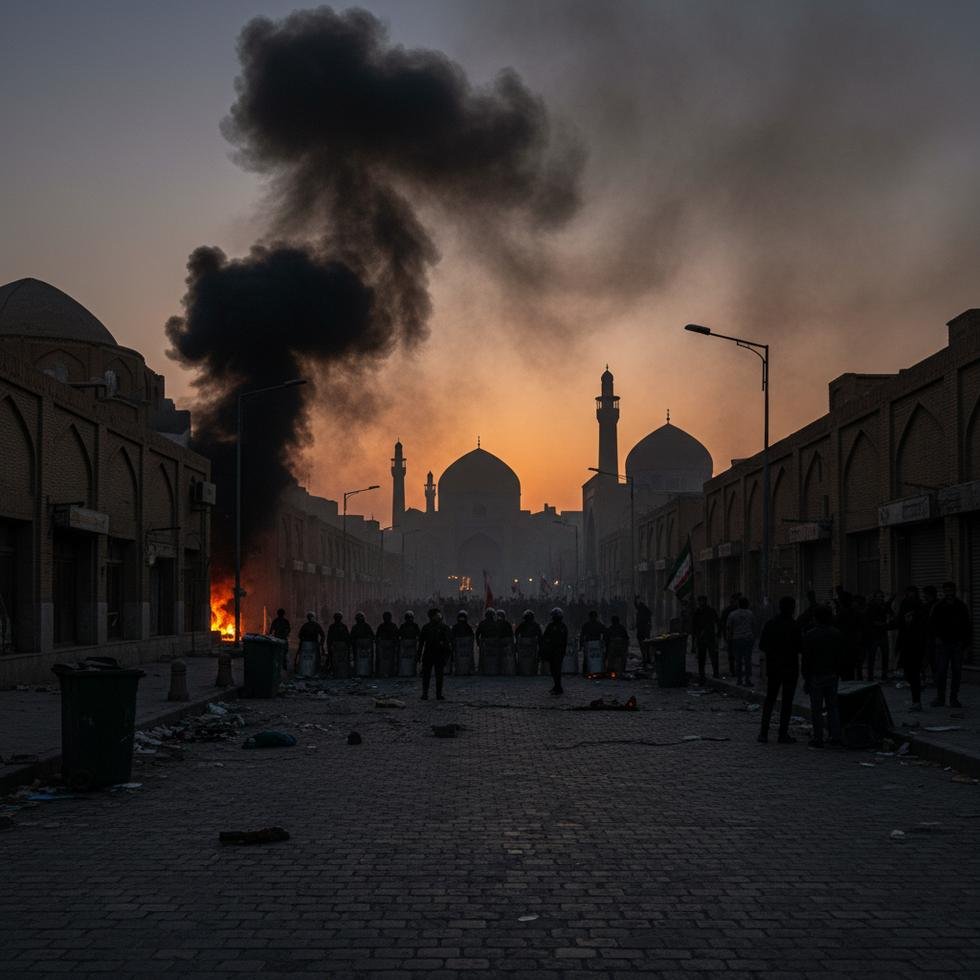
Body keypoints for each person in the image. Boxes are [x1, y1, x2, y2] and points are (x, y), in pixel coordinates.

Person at [757, 596, 802, 744]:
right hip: (790, 668)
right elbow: (800, 647)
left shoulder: (771, 624)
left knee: (770, 699)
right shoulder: (794, 626)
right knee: (787, 702)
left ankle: (763, 733)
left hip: (774, 667)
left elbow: (762, 645)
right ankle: (782, 734)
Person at [801, 604, 843, 748]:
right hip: (832, 674)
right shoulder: (836, 633)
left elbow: (806, 659)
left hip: (815, 675)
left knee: (816, 709)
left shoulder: (810, 635)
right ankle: (835, 736)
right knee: (833, 707)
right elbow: (840, 656)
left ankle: (818, 737)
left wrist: (806, 678)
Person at [930, 581, 970, 708]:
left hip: (957, 643)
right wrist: (936, 638)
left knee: (957, 672)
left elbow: (966, 625)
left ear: (954, 590)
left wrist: (965, 643)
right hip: (943, 643)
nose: (949, 592)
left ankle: (954, 698)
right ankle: (940, 698)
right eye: (946, 590)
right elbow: (932, 624)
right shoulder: (938, 606)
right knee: (941, 671)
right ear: (944, 591)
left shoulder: (961, 606)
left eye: (951, 590)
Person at [895, 586, 926, 711]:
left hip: (916, 646)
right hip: (906, 646)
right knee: (910, 674)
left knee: (913, 674)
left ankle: (917, 701)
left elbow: (923, 630)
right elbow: (899, 626)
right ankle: (916, 699)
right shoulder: (905, 607)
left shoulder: (920, 610)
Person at [417, 607, 453, 700]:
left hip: (439, 654)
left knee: (439, 676)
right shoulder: (426, 628)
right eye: (437, 614)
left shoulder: (444, 627)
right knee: (426, 675)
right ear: (432, 617)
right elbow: (421, 643)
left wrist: (446, 655)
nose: (439, 616)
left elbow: (448, 642)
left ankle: (438, 694)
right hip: (429, 653)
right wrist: (419, 655)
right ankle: (425, 694)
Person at [726, 597, 755, 686]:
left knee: (738, 660)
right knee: (747, 660)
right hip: (748, 639)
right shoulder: (750, 614)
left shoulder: (733, 614)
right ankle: (747, 680)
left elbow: (729, 627)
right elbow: (754, 626)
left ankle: (739, 680)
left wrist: (729, 638)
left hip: (737, 639)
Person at [691, 595, 720, 684]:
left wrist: (717, 635)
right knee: (701, 658)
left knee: (713, 656)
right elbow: (694, 627)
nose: (701, 603)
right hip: (701, 638)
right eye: (700, 601)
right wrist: (694, 640)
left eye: (702, 601)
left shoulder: (710, 611)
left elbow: (717, 622)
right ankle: (702, 675)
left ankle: (715, 672)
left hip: (710, 637)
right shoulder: (697, 612)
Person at [541, 607, 569, 695]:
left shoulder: (558, 626)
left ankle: (558, 687)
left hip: (556, 650)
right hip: (554, 650)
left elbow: (546, 638)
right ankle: (557, 686)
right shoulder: (559, 626)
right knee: (554, 669)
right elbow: (545, 637)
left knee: (556, 669)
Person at [865, 591, 891, 681]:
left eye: (882, 597)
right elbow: (871, 621)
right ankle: (870, 676)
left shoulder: (883, 607)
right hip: (874, 635)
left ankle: (884, 675)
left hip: (882, 634)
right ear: (875, 598)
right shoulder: (871, 608)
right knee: (872, 657)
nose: (881, 599)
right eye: (879, 597)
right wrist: (884, 624)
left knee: (885, 655)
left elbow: (889, 614)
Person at [719, 592, 742, 674]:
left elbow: (722, 623)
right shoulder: (732, 611)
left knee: (733, 654)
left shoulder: (728, 610)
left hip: (733, 635)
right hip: (734, 635)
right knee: (736, 654)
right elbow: (723, 623)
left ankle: (734, 670)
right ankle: (735, 670)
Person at [579, 610, 607, 676]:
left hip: (590, 643)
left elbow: (582, 635)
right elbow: (605, 633)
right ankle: (598, 670)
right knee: (597, 658)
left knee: (587, 658)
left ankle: (586, 671)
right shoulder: (599, 625)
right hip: (595, 643)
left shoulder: (586, 625)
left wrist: (581, 645)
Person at [634, 596, 652, 664]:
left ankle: (645, 657)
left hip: (642, 629)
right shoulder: (647, 611)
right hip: (645, 629)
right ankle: (647, 658)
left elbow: (635, 605)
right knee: (646, 644)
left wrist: (635, 599)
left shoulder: (641, 611)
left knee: (642, 644)